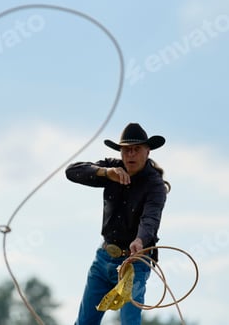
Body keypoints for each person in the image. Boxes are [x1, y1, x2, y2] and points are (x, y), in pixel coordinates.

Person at [66, 122, 170, 325]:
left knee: (130, 321)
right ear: (121, 152)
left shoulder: (155, 185)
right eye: (126, 150)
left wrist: (140, 240)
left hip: (135, 263)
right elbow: (72, 172)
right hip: (104, 257)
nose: (130, 154)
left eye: (136, 149)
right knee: (85, 322)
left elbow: (150, 219)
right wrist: (105, 173)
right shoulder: (112, 169)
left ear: (147, 151)